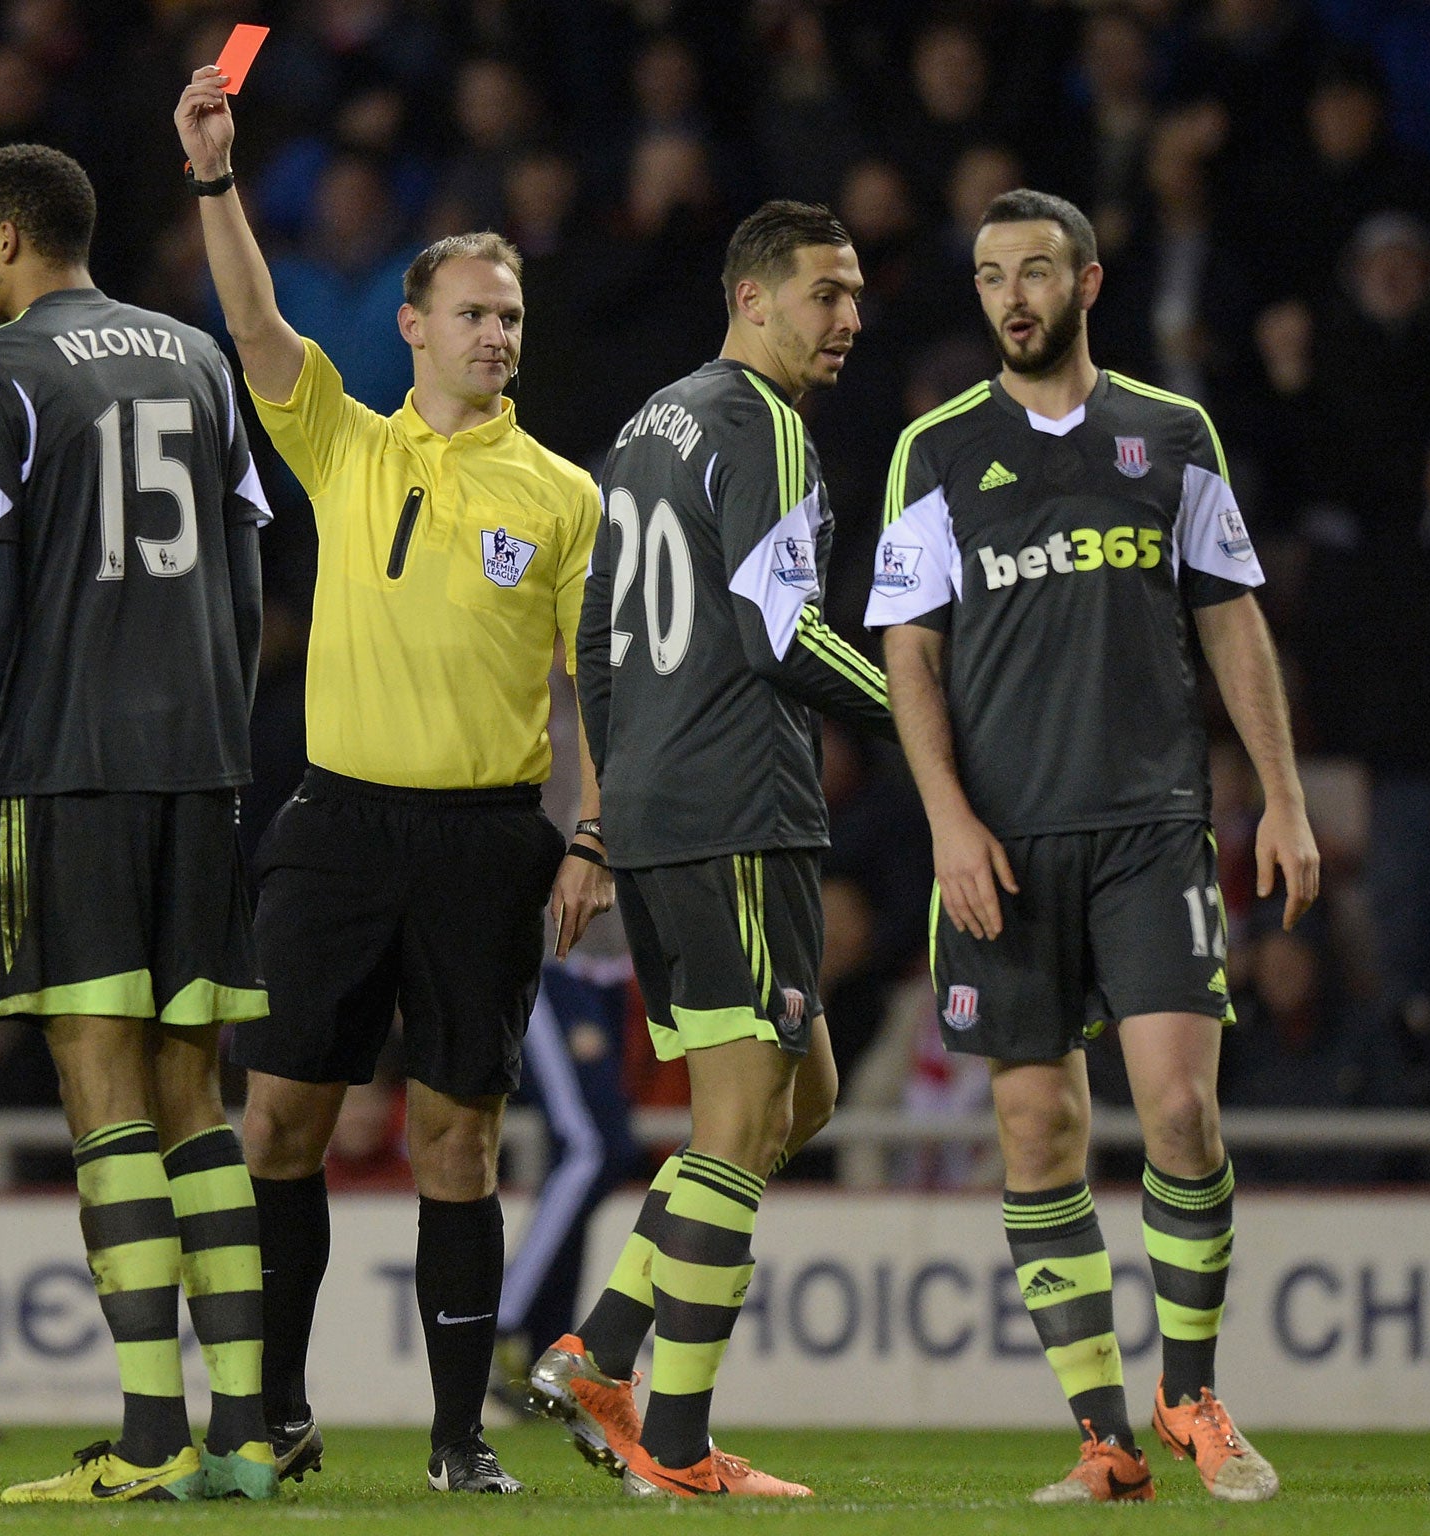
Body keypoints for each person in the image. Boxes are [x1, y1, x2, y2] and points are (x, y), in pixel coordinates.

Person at [176, 65, 611, 1494]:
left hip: (489, 840)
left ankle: (454, 1439)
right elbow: (250, 321)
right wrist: (216, 179)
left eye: (513, 318)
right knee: (280, 1122)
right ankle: (277, 1410)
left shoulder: (561, 495)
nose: (498, 334)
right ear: (414, 325)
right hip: (337, 826)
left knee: (456, 1140)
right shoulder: (346, 443)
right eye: (476, 313)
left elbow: (589, 683)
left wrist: (593, 833)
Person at [867, 188, 1318, 1505]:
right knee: (1036, 1127)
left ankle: (1190, 1394)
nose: (1012, 293)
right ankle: (1104, 1438)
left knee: (1180, 1107)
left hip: (1151, 831)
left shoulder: (1170, 434)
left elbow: (1233, 620)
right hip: (1002, 849)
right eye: (992, 274)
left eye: (1036, 271)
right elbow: (910, 655)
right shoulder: (934, 450)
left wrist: (1281, 798)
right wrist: (948, 820)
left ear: (1090, 283)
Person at [0, 143, 276, 1505]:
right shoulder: (195, 356)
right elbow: (245, 587)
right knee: (198, 1096)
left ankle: (147, 1434)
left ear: (11, 238)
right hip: (202, 769)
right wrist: (209, 734)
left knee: (103, 1092)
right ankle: (242, 1433)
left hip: (69, 773)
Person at [529, 201, 893, 1499]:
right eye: (824, 294)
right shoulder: (766, 427)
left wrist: (617, 804)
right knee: (741, 1124)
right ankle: (674, 1449)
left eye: (855, 295)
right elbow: (781, 636)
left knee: (806, 1098)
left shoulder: (644, 427)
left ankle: (602, 1346)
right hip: (740, 811)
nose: (848, 318)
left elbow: (600, 642)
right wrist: (934, 715)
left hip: (671, 817)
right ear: (751, 297)